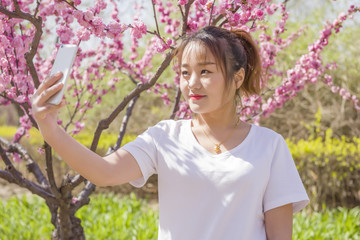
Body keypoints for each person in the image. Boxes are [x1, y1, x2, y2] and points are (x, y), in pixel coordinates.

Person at [31, 26, 309, 240]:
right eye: (185, 73)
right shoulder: (165, 138)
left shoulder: (269, 146)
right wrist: (50, 129)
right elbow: (104, 172)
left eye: (206, 71)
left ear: (237, 78)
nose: (192, 83)